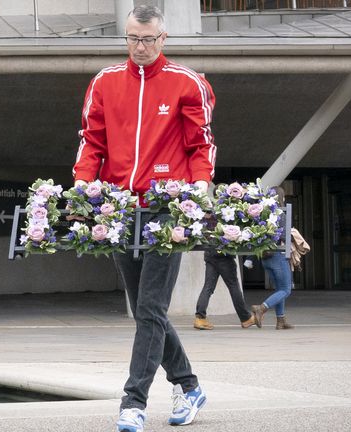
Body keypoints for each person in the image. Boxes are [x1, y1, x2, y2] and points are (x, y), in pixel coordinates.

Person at [72, 6, 216, 432]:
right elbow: (91, 141)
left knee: (151, 307)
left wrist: (202, 185)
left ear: (163, 38)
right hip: (116, 208)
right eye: (133, 38)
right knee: (145, 310)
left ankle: (132, 403)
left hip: (166, 208)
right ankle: (189, 387)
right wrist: (83, 183)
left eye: (147, 40)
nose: (139, 47)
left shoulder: (188, 83)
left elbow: (201, 144)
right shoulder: (104, 81)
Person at [250, 186, 295, 330]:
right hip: (278, 255)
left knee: (279, 289)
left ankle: (280, 320)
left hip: (265, 257)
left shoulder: (262, 213)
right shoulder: (281, 213)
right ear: (282, 198)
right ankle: (261, 308)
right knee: (286, 289)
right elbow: (283, 236)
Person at [194, 245, 255, 330]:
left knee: (208, 287)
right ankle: (245, 318)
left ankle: (200, 318)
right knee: (233, 286)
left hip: (210, 254)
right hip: (225, 255)